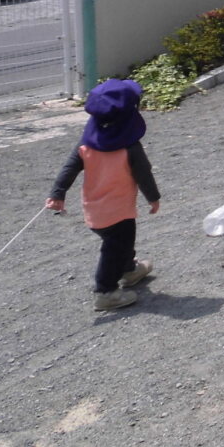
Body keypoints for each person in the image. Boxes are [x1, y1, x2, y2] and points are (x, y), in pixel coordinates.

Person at [46, 79, 161, 312]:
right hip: (119, 211)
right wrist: (153, 197)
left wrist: (57, 194)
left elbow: (69, 168)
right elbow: (144, 175)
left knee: (120, 243)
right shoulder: (130, 147)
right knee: (114, 248)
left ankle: (129, 269)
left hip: (94, 209)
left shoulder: (86, 145)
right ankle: (105, 291)